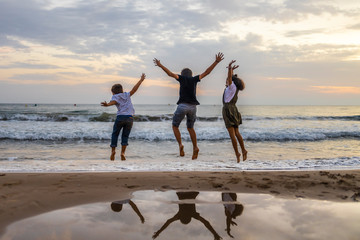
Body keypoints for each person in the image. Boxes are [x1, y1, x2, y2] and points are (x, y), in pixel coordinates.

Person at [153, 53, 224, 160]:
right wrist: (216, 62)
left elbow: (170, 74)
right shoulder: (195, 79)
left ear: (182, 74)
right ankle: (195, 147)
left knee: (175, 126)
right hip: (193, 107)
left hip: (182, 106)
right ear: (191, 74)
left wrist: (160, 65)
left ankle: (180, 145)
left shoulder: (181, 78)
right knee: (190, 127)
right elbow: (207, 72)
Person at [101, 73, 146, 161]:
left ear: (113, 92)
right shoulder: (126, 94)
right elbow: (134, 89)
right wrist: (141, 80)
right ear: (122, 90)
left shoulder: (115, 96)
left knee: (115, 134)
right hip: (129, 118)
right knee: (125, 136)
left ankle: (113, 151)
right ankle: (123, 153)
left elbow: (113, 102)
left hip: (120, 117)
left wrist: (107, 104)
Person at [152, 192, 222, 240]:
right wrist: (158, 232)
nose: (185, 215)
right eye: (186, 216)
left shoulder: (190, 214)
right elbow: (206, 223)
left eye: (184, 216)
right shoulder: (183, 215)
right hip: (186, 193)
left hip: (187, 193)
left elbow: (206, 222)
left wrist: (159, 232)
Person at [222, 60, 247, 162]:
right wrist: (231, 70)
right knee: (237, 133)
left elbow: (230, 78)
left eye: (227, 80)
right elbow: (231, 77)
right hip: (234, 110)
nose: (226, 81)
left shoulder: (232, 87)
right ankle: (243, 150)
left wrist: (229, 68)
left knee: (232, 134)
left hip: (228, 110)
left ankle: (237, 154)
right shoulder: (232, 88)